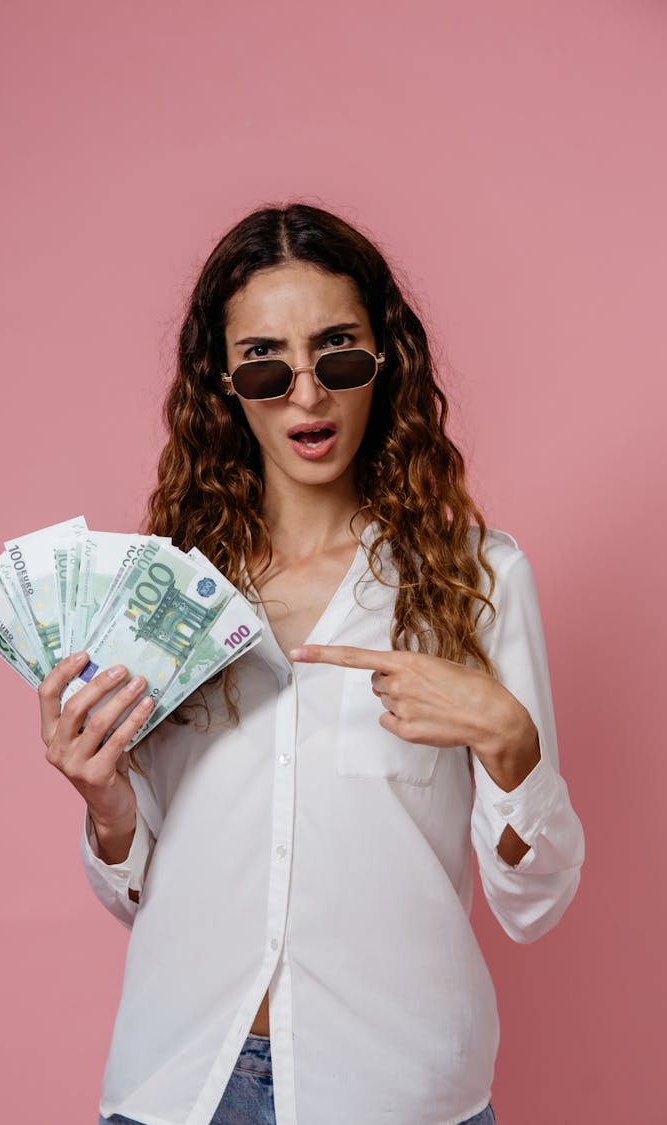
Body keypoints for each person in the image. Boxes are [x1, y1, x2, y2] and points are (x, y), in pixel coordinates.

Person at [39, 202, 585, 1125]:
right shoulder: (165, 587)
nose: (306, 393)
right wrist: (107, 809)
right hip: (178, 1081)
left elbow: (536, 902)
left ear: (384, 360)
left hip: (395, 1088)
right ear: (223, 381)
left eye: (337, 352)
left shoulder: (478, 577)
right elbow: (150, 894)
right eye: (265, 361)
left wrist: (511, 742)